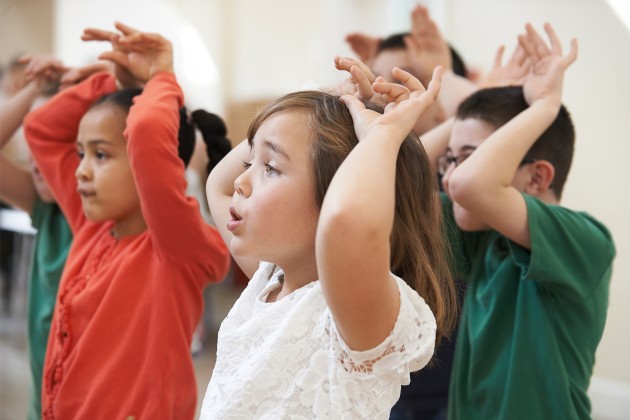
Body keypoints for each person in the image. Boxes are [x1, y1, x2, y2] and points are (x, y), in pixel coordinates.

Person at [200, 47, 458, 415]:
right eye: (249, 161)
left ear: (332, 195)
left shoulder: (354, 315)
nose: (242, 181)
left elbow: (346, 225)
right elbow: (219, 186)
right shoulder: (269, 281)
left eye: (270, 168)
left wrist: (382, 135)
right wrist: (328, 101)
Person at [23, 23, 230, 419]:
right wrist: (107, 87)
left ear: (145, 163)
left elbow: (149, 131)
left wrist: (160, 80)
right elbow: (42, 132)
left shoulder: (177, 247)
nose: (80, 171)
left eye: (100, 155)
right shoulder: (92, 228)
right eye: (81, 154)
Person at [431, 23, 615, 419]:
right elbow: (394, 185)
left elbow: (469, 184)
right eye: (451, 158)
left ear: (537, 178)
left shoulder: (587, 240)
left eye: (469, 156)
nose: (449, 175)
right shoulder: (482, 238)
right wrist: (478, 98)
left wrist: (545, 106)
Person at [0, 55, 72, 420]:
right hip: (43, 405)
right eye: (34, 145)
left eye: (54, 145)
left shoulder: (102, 220)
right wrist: (34, 90)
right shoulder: (47, 209)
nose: (37, 159)